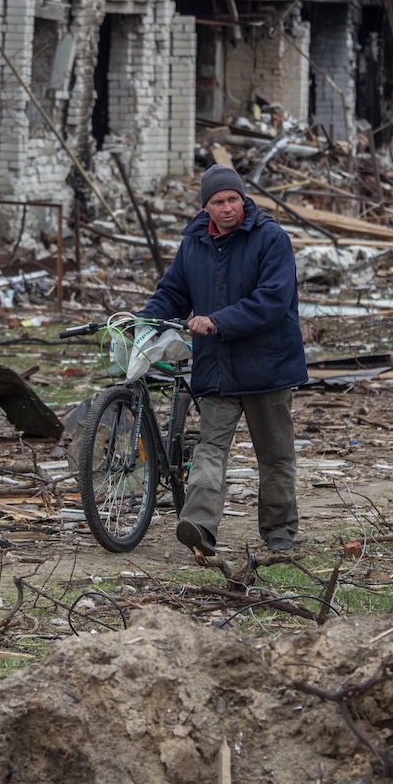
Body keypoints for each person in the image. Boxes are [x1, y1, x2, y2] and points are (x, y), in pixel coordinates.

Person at [138, 163, 307, 556]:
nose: (227, 207)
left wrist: (217, 321)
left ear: (243, 199)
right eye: (218, 201)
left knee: (275, 455)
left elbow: (272, 301)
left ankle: (280, 532)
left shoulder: (271, 238)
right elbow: (173, 293)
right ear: (206, 207)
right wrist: (143, 320)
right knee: (209, 449)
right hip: (216, 367)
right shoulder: (194, 243)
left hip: (268, 367)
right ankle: (199, 528)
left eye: (233, 199)